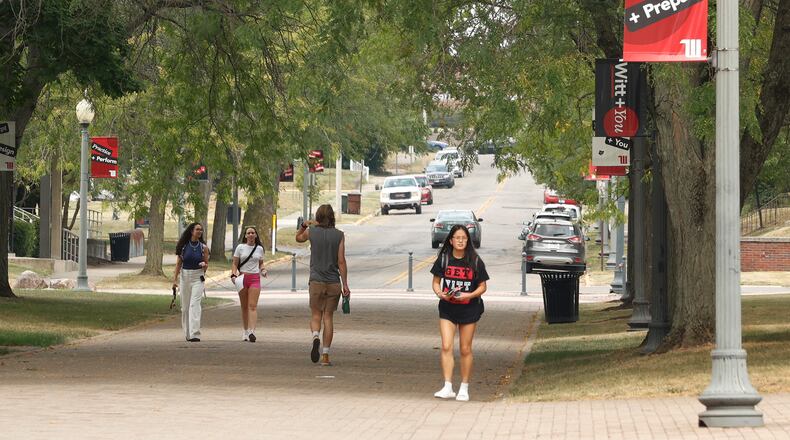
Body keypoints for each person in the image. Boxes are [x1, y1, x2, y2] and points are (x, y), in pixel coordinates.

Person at [430, 224, 489, 402]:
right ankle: (447, 386)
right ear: (451, 240)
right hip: (447, 308)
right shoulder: (444, 259)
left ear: (468, 240)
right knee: (446, 346)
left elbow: (483, 286)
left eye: (464, 238)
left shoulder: (475, 261)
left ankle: (464, 387)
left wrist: (469, 295)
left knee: (465, 348)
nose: (461, 241)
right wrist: (440, 293)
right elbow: (435, 282)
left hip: (469, 308)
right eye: (458, 238)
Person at [295, 204, 350, 366]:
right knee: (328, 317)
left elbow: (298, 238)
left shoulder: (311, 232)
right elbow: (341, 261)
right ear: (332, 217)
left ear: (317, 217)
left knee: (316, 315)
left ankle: (315, 336)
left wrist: (304, 225)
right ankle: (325, 356)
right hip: (333, 282)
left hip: (316, 281)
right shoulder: (339, 235)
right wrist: (345, 284)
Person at [173, 222, 209, 342]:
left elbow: (206, 264)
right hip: (185, 276)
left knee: (195, 305)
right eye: (197, 229)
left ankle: (195, 333)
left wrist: (204, 265)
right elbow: (178, 264)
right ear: (191, 231)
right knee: (185, 307)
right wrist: (175, 280)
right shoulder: (183, 246)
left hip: (198, 277)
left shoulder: (203, 247)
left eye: (201, 230)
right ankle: (187, 333)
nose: (200, 232)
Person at [231, 226, 267, 342]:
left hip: (255, 278)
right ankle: (245, 330)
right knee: (244, 306)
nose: (251, 235)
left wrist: (263, 270)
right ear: (245, 236)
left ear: (256, 235)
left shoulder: (259, 249)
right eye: (248, 233)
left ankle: (252, 331)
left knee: (252, 306)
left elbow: (261, 263)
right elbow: (235, 263)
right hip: (242, 278)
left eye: (253, 233)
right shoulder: (240, 247)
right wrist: (233, 274)